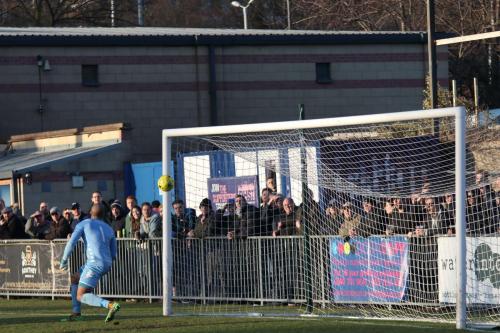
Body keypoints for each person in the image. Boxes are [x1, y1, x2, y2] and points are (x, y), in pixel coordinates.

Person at [60, 203, 120, 323]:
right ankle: (76, 313)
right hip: (106, 263)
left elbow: (71, 243)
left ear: (90, 213)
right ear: (103, 215)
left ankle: (110, 305)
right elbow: (114, 254)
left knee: (81, 295)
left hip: (94, 263)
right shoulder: (109, 228)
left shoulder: (84, 223)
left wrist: (64, 260)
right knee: (75, 278)